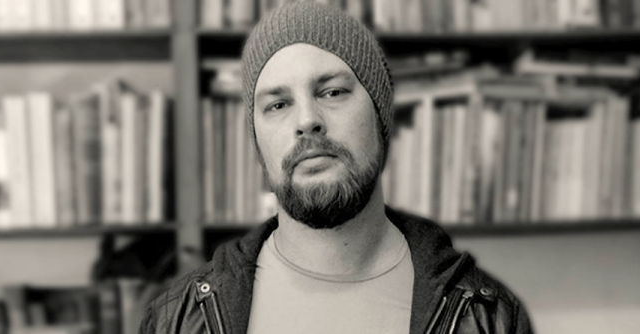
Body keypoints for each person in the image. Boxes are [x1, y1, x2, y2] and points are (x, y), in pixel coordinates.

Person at [139, 2, 533, 333]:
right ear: (257, 140)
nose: (307, 119)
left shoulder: (488, 318)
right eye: (277, 104)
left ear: (380, 117)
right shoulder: (177, 319)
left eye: (332, 92)